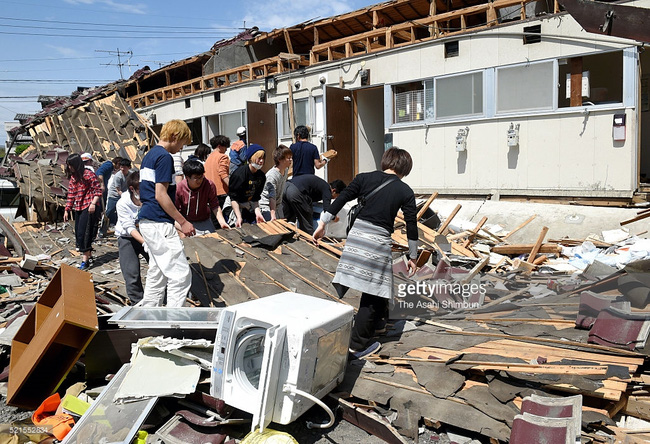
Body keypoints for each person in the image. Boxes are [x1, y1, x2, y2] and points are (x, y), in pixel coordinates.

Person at [312, 147, 418, 359]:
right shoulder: (405, 191)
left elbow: (341, 200)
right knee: (372, 292)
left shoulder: (364, 178)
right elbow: (411, 224)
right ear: (405, 168)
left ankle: (378, 325)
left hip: (357, 236)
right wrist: (413, 257)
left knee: (380, 285)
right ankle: (356, 346)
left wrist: (322, 223)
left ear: (385, 161)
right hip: (377, 242)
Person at [139, 119, 195, 307]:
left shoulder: (150, 155)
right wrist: (183, 221)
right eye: (182, 143)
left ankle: (149, 313)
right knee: (180, 275)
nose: (180, 148)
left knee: (159, 272)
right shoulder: (164, 157)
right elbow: (161, 194)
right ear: (174, 137)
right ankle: (173, 319)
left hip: (148, 221)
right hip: (158, 222)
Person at [63, 153, 103, 271]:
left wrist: (93, 203)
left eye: (70, 165)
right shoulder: (74, 177)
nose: (69, 167)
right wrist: (67, 209)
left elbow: (98, 190)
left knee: (85, 233)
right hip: (79, 206)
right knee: (79, 233)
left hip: (89, 206)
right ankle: (89, 256)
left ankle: (85, 260)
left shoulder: (88, 175)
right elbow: (71, 194)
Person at [115, 171, 149, 304]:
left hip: (147, 234)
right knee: (131, 273)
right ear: (132, 189)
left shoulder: (150, 198)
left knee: (159, 267)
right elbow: (129, 227)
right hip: (127, 238)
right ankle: (138, 303)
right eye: (142, 188)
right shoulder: (123, 203)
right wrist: (144, 243)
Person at [175, 159, 229, 235]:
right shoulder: (179, 188)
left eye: (201, 177)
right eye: (196, 178)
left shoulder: (209, 185)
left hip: (204, 220)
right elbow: (175, 210)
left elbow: (215, 205)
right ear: (187, 177)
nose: (199, 180)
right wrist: (182, 225)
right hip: (187, 221)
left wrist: (222, 222)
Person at [228, 144, 266, 227]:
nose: (261, 161)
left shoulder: (261, 176)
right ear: (251, 158)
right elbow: (233, 198)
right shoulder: (239, 174)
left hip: (249, 206)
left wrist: (258, 213)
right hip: (234, 206)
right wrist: (238, 217)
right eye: (259, 158)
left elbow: (256, 197)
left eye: (263, 158)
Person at [260, 145, 292, 221]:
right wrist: (272, 214)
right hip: (266, 206)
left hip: (278, 205)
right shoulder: (272, 176)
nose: (291, 160)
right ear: (280, 159)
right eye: (288, 158)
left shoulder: (286, 170)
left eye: (291, 157)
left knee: (282, 228)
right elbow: (272, 196)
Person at [205, 135, 231, 209]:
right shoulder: (223, 157)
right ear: (219, 146)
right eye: (225, 147)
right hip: (222, 191)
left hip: (210, 192)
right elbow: (223, 174)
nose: (226, 149)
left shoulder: (209, 158)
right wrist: (232, 187)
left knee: (214, 218)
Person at [105, 158, 132, 228]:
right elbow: (118, 189)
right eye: (121, 167)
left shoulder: (130, 175)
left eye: (125, 167)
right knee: (110, 210)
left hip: (124, 194)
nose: (123, 169)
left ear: (129, 167)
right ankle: (104, 225)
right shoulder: (118, 176)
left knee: (121, 210)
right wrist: (124, 196)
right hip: (114, 194)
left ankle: (115, 224)